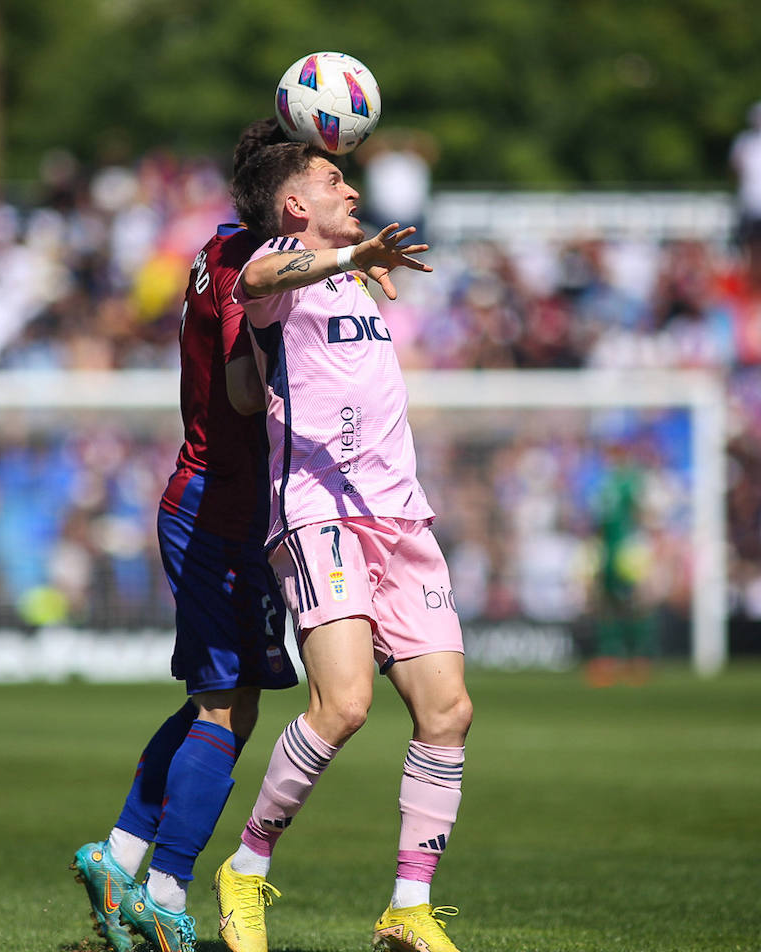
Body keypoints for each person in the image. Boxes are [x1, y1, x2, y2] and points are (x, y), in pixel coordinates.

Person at [211, 142, 474, 952]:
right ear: (294, 207)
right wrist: (350, 254)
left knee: (448, 712)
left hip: (399, 513)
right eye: (333, 181)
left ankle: (406, 907)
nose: (352, 189)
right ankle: (244, 871)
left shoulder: (356, 272)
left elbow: (256, 388)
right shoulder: (280, 258)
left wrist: (355, 263)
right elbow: (254, 283)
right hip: (320, 513)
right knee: (345, 705)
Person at [69, 119, 300, 952]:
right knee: (224, 707)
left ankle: (121, 856)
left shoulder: (218, 247)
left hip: (212, 499)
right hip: (221, 507)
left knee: (225, 701)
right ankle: (164, 893)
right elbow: (242, 391)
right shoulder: (249, 269)